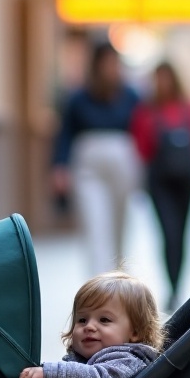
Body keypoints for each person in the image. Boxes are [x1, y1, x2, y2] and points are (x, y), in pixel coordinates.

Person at [130, 61, 190, 310]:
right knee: (168, 234)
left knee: (182, 235)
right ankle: (171, 285)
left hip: (186, 182)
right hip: (160, 183)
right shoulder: (146, 111)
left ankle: (177, 287)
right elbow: (140, 146)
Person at [52, 41, 142, 276]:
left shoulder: (130, 96)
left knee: (120, 225)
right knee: (95, 224)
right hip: (88, 168)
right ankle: (99, 282)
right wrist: (59, 165)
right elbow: (65, 134)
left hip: (122, 165)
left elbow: (143, 129)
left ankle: (119, 279)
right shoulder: (78, 98)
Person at [20, 271, 163, 378]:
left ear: (135, 332)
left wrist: (51, 374)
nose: (89, 326)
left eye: (104, 320)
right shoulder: (83, 358)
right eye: (82, 320)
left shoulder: (129, 360)